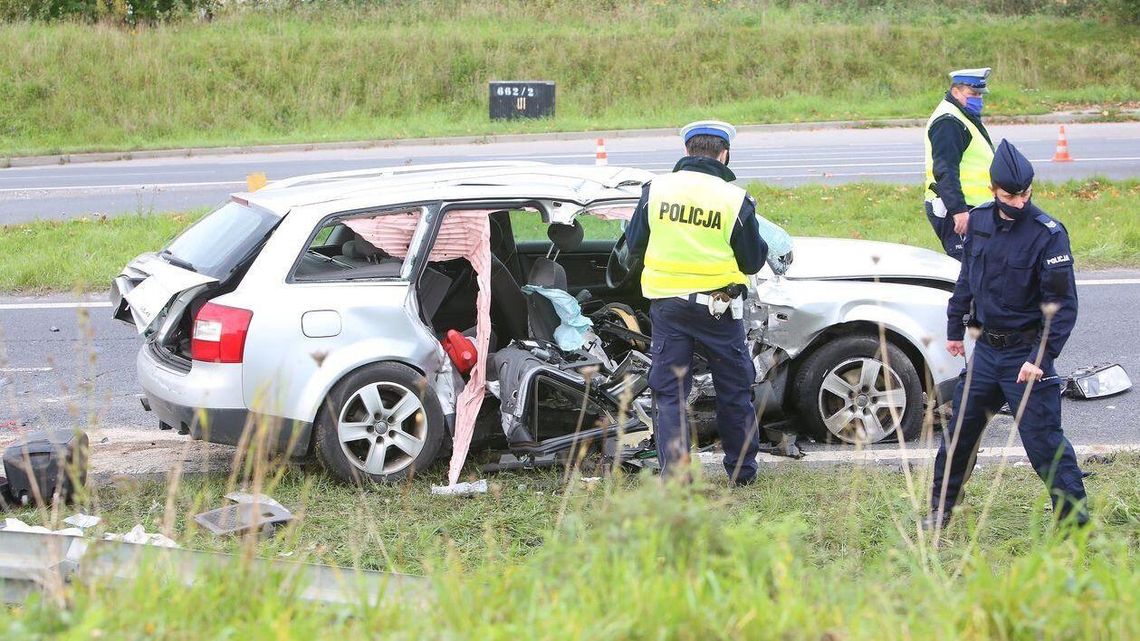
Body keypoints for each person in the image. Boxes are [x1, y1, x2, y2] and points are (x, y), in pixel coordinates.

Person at [926, 139, 1088, 531]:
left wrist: (1041, 358)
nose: (1019, 202)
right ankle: (941, 511)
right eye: (1010, 195)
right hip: (985, 353)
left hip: (1024, 356)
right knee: (958, 438)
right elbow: (967, 279)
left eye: (1025, 194)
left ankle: (1074, 523)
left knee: (1045, 443)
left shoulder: (1047, 234)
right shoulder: (979, 222)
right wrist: (954, 327)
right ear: (992, 190)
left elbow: (1062, 306)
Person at [624, 120, 768, 484]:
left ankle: (676, 476)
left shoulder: (655, 190)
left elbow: (634, 244)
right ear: (724, 154)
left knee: (670, 394)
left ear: (687, 152)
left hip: (668, 308)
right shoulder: (734, 200)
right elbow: (752, 261)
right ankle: (742, 472)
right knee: (733, 391)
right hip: (719, 311)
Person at [924, 67, 996, 261]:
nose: (978, 99)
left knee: (979, 269)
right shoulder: (949, 122)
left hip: (973, 207)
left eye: (981, 95)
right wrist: (958, 210)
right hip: (957, 210)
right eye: (973, 94)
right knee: (966, 274)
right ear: (955, 91)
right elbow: (945, 169)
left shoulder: (961, 113)